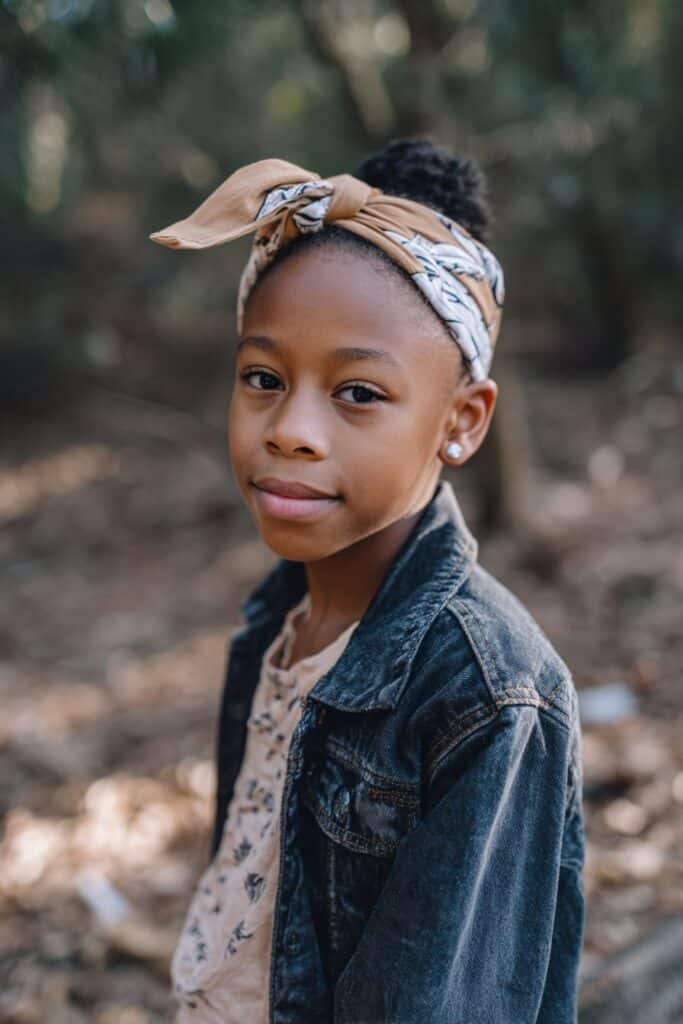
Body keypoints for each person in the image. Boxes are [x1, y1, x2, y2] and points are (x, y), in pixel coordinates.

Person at [149, 138, 585, 1024]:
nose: (291, 429)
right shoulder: (277, 623)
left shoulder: (488, 697)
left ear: (461, 421)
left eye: (357, 393)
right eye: (263, 378)